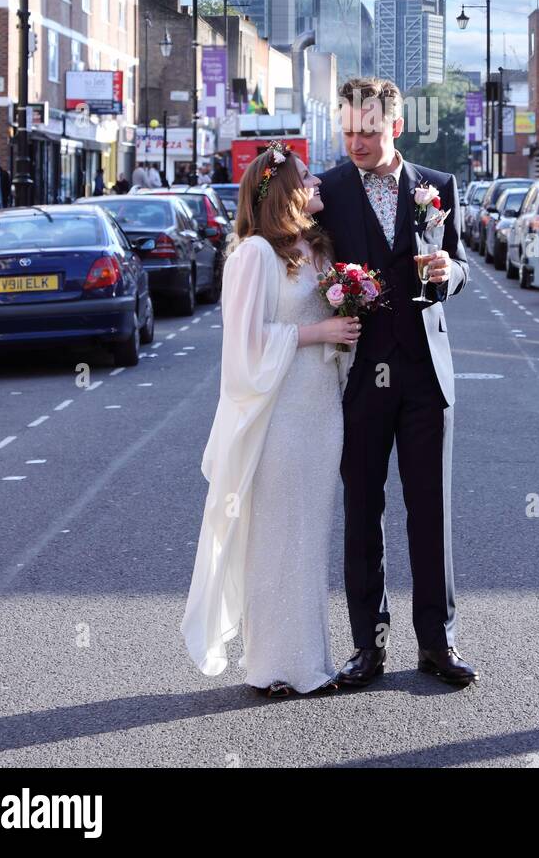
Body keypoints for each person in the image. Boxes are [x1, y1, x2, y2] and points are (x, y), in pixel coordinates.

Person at [181, 141, 360, 695]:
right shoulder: (254, 255)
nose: (319, 185)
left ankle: (308, 661)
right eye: (308, 178)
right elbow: (244, 346)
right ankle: (273, 666)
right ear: (284, 192)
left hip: (321, 410)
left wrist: (347, 326)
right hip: (279, 413)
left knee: (309, 536)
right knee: (277, 536)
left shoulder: (319, 252)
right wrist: (320, 333)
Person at [317, 75, 477, 689]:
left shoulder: (438, 187)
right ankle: (368, 647)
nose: (356, 141)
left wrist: (448, 271)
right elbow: (304, 269)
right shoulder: (325, 191)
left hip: (425, 375)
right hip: (360, 375)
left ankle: (438, 643)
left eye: (369, 130)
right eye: (349, 129)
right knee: (363, 511)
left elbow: (460, 267)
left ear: (396, 127)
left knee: (428, 511)